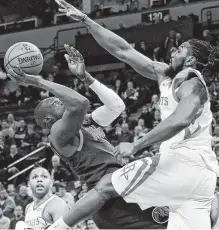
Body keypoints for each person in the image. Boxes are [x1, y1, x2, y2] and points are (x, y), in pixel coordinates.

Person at [47, 1, 219, 229]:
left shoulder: (191, 82)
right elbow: (123, 51)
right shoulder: (166, 74)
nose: (173, 51)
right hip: (201, 181)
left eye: (179, 50)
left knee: (107, 185)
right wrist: (85, 20)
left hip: (184, 164)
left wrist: (137, 145)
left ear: (189, 60)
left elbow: (182, 119)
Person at [8, 45, 168, 229]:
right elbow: (80, 102)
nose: (61, 99)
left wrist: (86, 77)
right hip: (110, 201)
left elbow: (117, 106)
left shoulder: (85, 121)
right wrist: (39, 82)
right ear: (47, 119)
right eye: (55, 101)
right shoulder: (58, 135)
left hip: (121, 187)